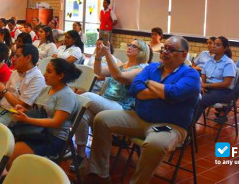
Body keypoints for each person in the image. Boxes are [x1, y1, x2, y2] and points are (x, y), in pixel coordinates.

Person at [86, 36, 201, 184]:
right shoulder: (152, 68)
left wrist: (149, 83)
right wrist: (162, 91)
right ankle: (100, 173)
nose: (165, 51)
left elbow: (174, 94)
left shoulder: (191, 75)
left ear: (184, 54)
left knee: (155, 144)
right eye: (164, 48)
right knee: (101, 119)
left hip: (169, 126)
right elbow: (135, 89)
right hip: (139, 117)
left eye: (171, 50)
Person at [74, 39, 150, 160]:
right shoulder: (121, 65)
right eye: (129, 44)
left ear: (142, 52)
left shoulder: (142, 69)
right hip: (106, 102)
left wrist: (108, 54)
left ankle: (63, 116)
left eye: (134, 46)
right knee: (82, 114)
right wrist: (99, 56)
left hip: (121, 108)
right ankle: (80, 153)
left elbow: (120, 77)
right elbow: (99, 72)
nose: (129, 47)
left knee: (87, 96)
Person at [7, 58, 80, 167]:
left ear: (60, 76)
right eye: (46, 70)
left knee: (12, 156)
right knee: (5, 145)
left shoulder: (66, 96)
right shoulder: (46, 89)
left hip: (52, 138)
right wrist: (24, 111)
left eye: (49, 72)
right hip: (37, 132)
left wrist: (28, 119)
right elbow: (38, 112)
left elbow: (56, 122)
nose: (45, 74)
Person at [194, 36, 237, 123]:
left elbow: (226, 84)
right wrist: (202, 85)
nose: (213, 46)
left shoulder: (228, 63)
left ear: (225, 48)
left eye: (217, 45)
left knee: (200, 100)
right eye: (214, 44)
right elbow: (203, 74)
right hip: (208, 88)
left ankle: (188, 128)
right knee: (188, 96)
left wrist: (207, 85)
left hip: (223, 91)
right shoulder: (209, 61)